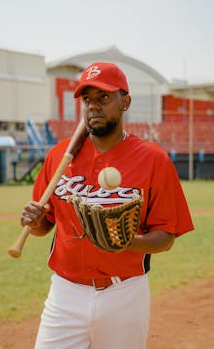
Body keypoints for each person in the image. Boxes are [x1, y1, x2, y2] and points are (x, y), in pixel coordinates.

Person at [21, 61, 194, 349]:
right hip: (65, 293)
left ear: (124, 102)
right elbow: (43, 227)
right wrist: (33, 219)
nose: (93, 106)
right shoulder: (59, 156)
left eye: (103, 98)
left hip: (124, 293)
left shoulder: (153, 160)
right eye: (87, 99)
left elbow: (165, 238)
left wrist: (123, 242)